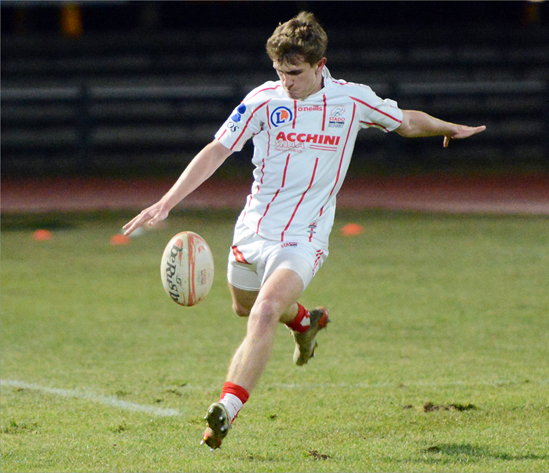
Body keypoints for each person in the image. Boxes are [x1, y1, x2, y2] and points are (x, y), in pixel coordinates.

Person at [122, 11, 486, 450]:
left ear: (320, 65)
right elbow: (218, 148)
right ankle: (305, 322)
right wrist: (166, 202)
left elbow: (405, 121)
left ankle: (226, 409)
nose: (286, 82)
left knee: (263, 312)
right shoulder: (262, 100)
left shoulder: (351, 101)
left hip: (304, 237)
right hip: (254, 229)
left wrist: (448, 127)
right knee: (244, 307)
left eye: (294, 73)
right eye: (279, 72)